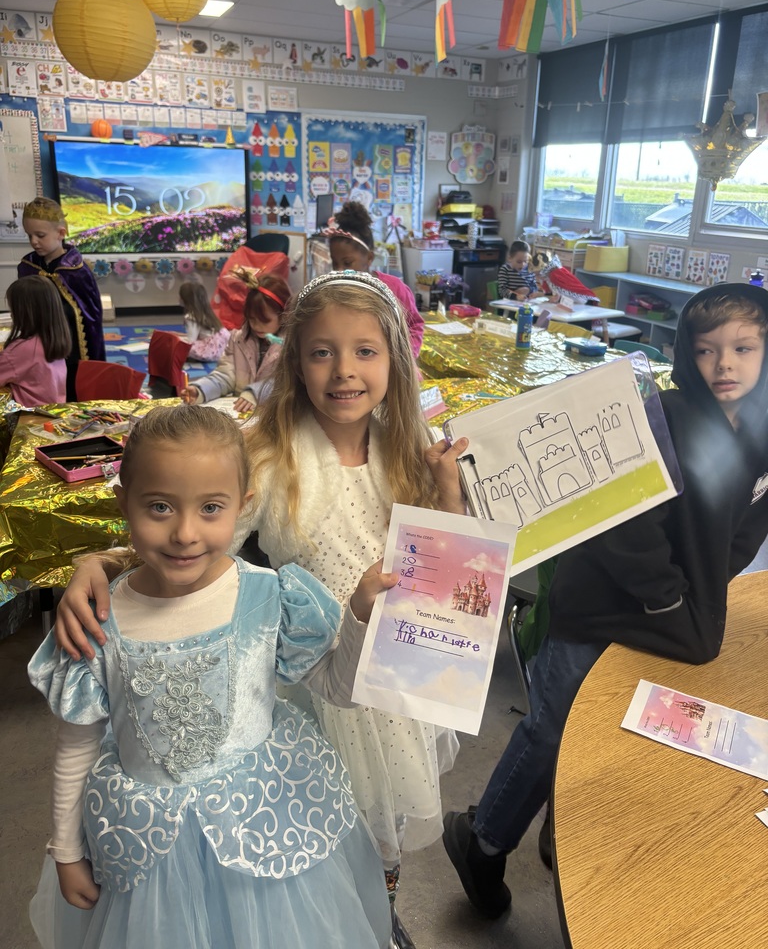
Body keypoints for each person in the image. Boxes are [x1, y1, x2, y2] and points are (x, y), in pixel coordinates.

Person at [53, 271, 467, 949]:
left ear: (395, 357)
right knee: (320, 838)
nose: (344, 371)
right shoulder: (270, 458)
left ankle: (376, 914)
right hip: (308, 690)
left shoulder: (412, 457)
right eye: (322, 351)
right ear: (295, 358)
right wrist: (94, 565)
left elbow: (443, 573)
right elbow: (189, 539)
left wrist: (448, 499)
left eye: (366, 351)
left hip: (390, 679)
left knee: (386, 829)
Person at [442, 283, 768, 919]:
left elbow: (744, 531)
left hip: (681, 612)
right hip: (605, 603)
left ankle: (560, 833)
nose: (724, 366)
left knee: (614, 734)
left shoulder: (761, 437)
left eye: (743, 348)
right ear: (685, 354)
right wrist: (666, 597)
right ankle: (482, 840)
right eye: (705, 351)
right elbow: (622, 521)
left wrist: (694, 592)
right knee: (552, 730)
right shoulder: (661, 415)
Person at [27, 403, 394, 949]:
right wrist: (67, 851)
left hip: (265, 847)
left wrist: (360, 615)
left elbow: (339, 690)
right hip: (150, 864)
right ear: (121, 502)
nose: (184, 533)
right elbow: (77, 744)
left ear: (242, 506)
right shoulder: (97, 618)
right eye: (158, 506)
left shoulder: (272, 597)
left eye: (210, 508)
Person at [18, 197, 105, 401]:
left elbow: (90, 315)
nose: (33, 242)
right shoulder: (28, 267)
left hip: (72, 350)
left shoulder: (76, 271)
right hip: (40, 350)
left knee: (73, 393)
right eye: (29, 235)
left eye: (40, 235)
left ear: (61, 233)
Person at [324, 201, 425, 357]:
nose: (339, 270)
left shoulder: (394, 288)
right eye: (335, 263)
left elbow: (414, 325)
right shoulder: (331, 292)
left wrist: (406, 356)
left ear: (369, 258)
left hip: (392, 366)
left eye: (348, 263)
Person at [181, 269, 290, 413]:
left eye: (264, 320)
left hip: (276, 417)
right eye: (252, 319)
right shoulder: (238, 339)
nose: (257, 326)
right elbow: (226, 375)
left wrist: (255, 394)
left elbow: (286, 383)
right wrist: (201, 389)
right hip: (242, 416)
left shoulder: (292, 345)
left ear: (283, 315)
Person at [0, 276, 71, 405]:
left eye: (13, 309)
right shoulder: (54, 339)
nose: (11, 314)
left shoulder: (21, 350)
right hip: (54, 413)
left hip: (30, 420)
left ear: (25, 312)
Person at [178, 280, 230, 362]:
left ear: (185, 299)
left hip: (210, 351)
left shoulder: (191, 317)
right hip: (223, 347)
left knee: (176, 344)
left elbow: (191, 341)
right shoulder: (207, 312)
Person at [530, 250, 600, 305]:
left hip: (585, 302)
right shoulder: (548, 276)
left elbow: (574, 296)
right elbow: (549, 291)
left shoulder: (555, 275)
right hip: (572, 306)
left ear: (544, 270)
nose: (537, 277)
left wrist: (559, 298)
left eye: (538, 274)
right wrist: (539, 294)